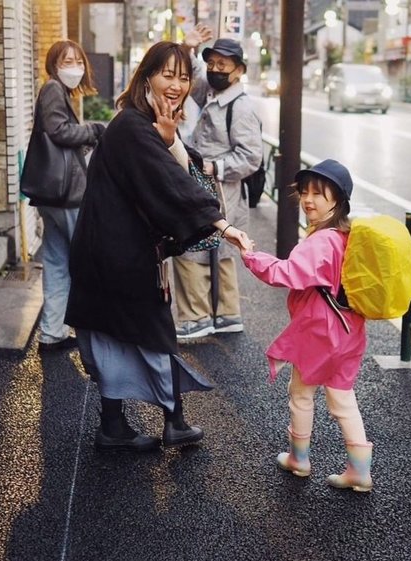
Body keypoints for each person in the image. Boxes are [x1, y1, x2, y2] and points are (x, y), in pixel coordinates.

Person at [65, 41, 251, 452]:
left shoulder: (144, 124)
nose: (177, 85)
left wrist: (170, 141)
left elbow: (185, 172)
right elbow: (175, 185)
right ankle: (173, 421)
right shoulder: (132, 126)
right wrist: (222, 225)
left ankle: (117, 425)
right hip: (117, 259)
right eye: (167, 74)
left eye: (184, 77)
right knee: (151, 334)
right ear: (146, 76)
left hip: (108, 255)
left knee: (112, 336)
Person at [240, 160, 374, 492]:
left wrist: (250, 256)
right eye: (304, 192)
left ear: (338, 199)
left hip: (321, 332)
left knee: (301, 393)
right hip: (350, 330)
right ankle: (360, 470)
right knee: (342, 398)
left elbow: (285, 274)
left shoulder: (321, 241)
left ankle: (299, 459)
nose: (308, 200)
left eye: (318, 193)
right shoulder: (347, 236)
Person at [172, 28, 264, 340]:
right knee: (217, 252)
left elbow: (252, 157)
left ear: (239, 70)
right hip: (211, 188)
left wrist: (214, 166)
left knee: (192, 248)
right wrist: (188, 47)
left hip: (222, 189)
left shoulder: (241, 108)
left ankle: (196, 317)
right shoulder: (212, 93)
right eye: (213, 63)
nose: (216, 69)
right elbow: (193, 75)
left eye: (224, 65)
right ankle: (225, 315)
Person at [31, 40, 105, 352]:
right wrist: (95, 130)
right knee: (87, 261)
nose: (74, 66)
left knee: (57, 261)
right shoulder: (52, 88)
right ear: (54, 64)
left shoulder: (57, 90)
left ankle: (52, 334)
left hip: (53, 195)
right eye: (67, 60)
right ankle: (96, 334)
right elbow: (58, 131)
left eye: (78, 60)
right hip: (67, 194)